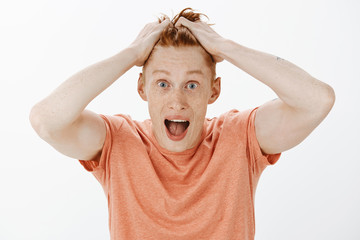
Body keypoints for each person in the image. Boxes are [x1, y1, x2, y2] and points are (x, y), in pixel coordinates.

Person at [29, 7, 335, 240]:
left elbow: (317, 100)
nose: (177, 101)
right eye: (162, 84)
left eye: (191, 85)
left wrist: (224, 46)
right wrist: (132, 53)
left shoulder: (239, 137)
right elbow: (45, 120)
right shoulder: (118, 141)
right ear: (141, 88)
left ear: (213, 90)